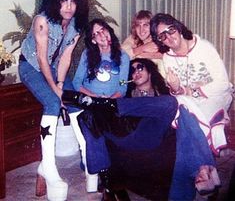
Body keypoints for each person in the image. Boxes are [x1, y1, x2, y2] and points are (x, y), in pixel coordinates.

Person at [63, 58, 221, 200]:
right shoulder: (126, 96)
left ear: (150, 71)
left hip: (153, 135)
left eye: (140, 67)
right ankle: (106, 179)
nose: (136, 71)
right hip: (129, 134)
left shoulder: (164, 94)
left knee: (173, 104)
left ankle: (200, 170)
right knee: (88, 114)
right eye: (132, 70)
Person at [18, 0, 89, 201]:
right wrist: (55, 90)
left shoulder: (76, 25)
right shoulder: (42, 21)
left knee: (75, 102)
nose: (68, 7)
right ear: (55, 3)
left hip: (55, 68)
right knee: (52, 103)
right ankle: (48, 166)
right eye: (63, 1)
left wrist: (61, 84)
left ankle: (89, 158)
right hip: (31, 66)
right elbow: (40, 59)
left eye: (73, 2)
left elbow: (66, 56)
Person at [150, 13, 233, 155]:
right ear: (160, 41)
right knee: (176, 115)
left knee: (191, 124)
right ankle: (200, 165)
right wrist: (175, 87)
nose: (169, 37)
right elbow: (179, 92)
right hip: (190, 101)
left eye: (170, 30)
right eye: (162, 36)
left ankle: (201, 165)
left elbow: (223, 84)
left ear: (178, 28)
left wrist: (192, 92)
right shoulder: (167, 58)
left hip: (216, 95)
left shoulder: (204, 47)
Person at [72, 18, 130, 197]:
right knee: (91, 116)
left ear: (109, 31)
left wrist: (111, 99)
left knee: (94, 122)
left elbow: (122, 86)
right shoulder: (87, 56)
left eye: (103, 30)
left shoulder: (123, 57)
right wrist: (94, 96)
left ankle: (107, 175)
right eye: (95, 34)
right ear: (93, 40)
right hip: (92, 101)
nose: (101, 35)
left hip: (112, 102)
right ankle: (107, 177)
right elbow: (76, 83)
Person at [121, 10, 167, 76]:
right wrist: (143, 48)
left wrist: (139, 55)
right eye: (138, 25)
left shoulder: (160, 38)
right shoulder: (132, 39)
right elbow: (120, 56)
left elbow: (170, 55)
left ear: (152, 26)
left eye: (145, 25)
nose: (141, 29)